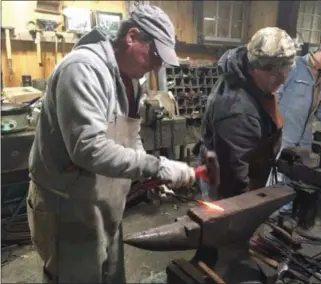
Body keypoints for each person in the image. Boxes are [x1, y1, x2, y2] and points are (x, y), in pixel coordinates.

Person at [27, 5, 195, 283]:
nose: (157, 66)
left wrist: (147, 173)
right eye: (155, 55)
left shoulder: (132, 81)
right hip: (68, 206)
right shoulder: (82, 69)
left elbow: (131, 135)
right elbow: (88, 148)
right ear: (132, 37)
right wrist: (156, 165)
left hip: (108, 204)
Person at [194, 27, 297, 200]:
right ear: (253, 67)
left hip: (246, 165)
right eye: (273, 72)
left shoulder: (249, 76)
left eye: (285, 70)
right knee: (225, 217)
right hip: (225, 178)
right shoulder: (237, 112)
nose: (282, 79)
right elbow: (233, 179)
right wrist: (243, 208)